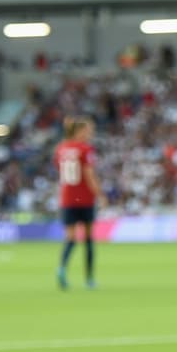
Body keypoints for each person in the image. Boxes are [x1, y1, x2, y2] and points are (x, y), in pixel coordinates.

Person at [53, 116, 101, 290]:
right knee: (88, 238)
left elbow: (59, 168)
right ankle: (89, 279)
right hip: (85, 197)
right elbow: (89, 175)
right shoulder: (86, 149)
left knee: (70, 238)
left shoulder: (61, 148)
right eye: (88, 130)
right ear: (80, 131)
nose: (91, 133)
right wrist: (101, 195)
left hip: (67, 197)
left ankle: (61, 269)